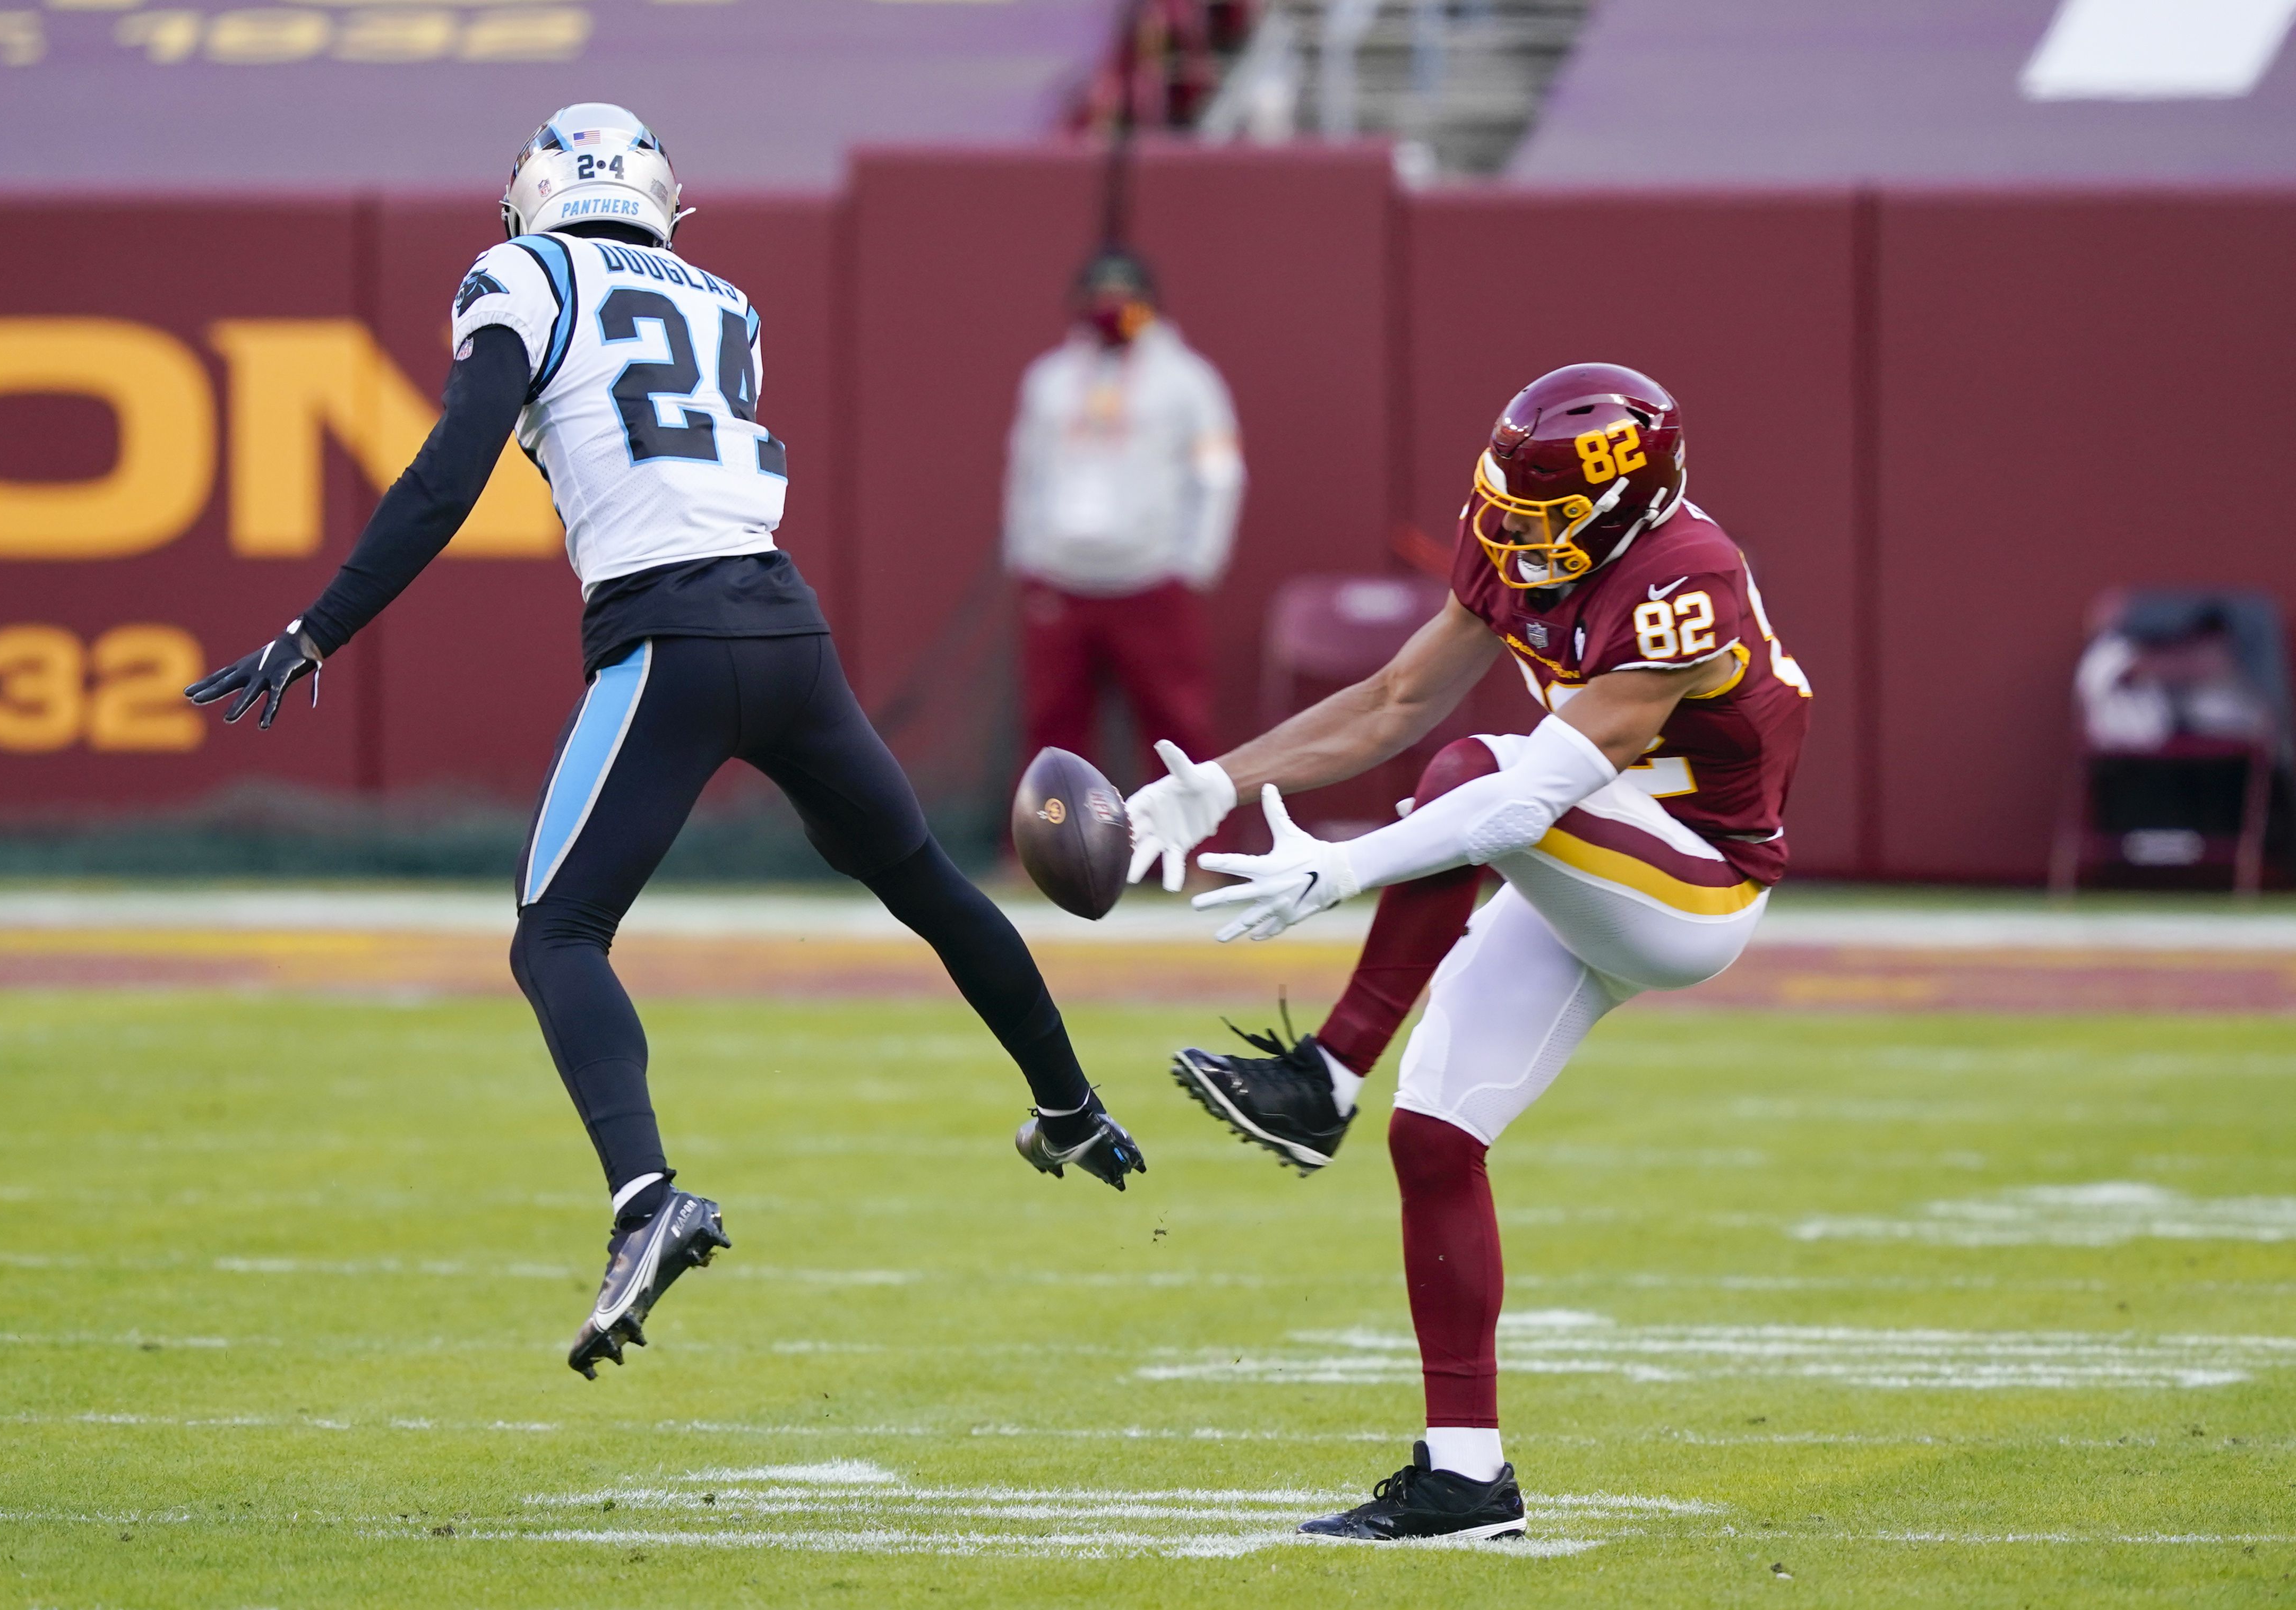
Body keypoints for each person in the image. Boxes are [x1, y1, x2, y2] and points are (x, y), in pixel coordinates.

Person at [186, 102, 1145, 1384]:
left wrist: (319, 630)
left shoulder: (524, 273)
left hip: (669, 634)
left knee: (556, 933)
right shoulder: (721, 296)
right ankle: (1072, 1105)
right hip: (784, 630)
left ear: (531, 193)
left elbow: (446, 472)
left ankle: (647, 1199)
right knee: (924, 881)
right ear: (658, 197)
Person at [1121, 364, 1811, 1540]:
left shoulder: (1683, 583)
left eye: (1546, 522)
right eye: (1508, 509)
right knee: (1435, 1140)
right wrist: (1209, 790)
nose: (1515, 539)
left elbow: (1513, 803)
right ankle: (1466, 1479)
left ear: (1629, 507)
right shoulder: (1520, 537)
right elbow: (1394, 700)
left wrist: (1339, 870)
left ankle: (1324, 1075)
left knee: (1478, 772)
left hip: (1692, 884)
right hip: (1579, 865)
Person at [1002, 246, 1243, 780]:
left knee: (1177, 722)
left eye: (1125, 299)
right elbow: (1026, 468)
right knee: (1051, 724)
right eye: (1100, 299)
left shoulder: (1188, 381)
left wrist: (1197, 560)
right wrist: (1027, 554)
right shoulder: (1051, 378)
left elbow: (1219, 472)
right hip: (1062, 577)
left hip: (1150, 577)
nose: (1112, 310)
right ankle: (1044, 849)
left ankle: (1196, 852)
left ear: (1150, 305)